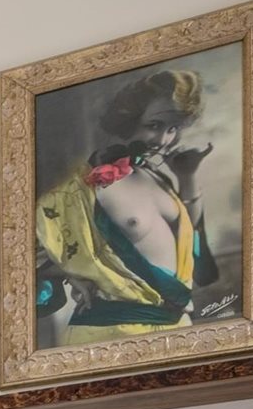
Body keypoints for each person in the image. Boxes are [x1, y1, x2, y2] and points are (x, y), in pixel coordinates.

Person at [30, 68, 222, 344]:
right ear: (129, 119)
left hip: (177, 331)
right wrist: (68, 272)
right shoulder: (82, 188)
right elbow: (25, 259)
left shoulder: (158, 176)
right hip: (109, 336)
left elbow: (189, 246)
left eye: (173, 129)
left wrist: (187, 177)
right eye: (154, 126)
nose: (163, 140)